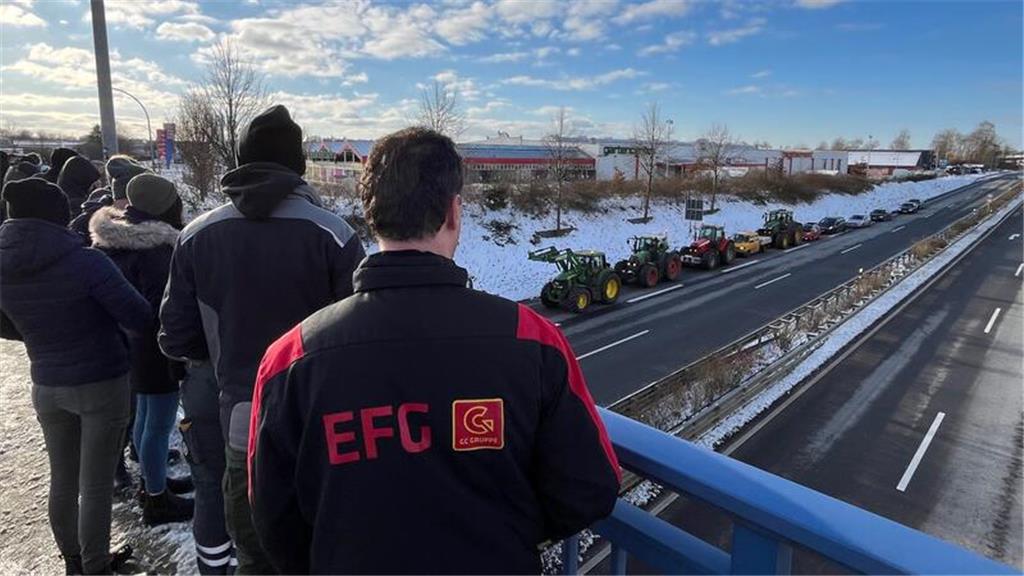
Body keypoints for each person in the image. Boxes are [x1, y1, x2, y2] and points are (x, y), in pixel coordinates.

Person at [248, 128, 621, 574]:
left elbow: (272, 520)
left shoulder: (289, 358)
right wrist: (510, 533)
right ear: (453, 212)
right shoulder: (532, 338)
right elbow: (590, 489)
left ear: (371, 215)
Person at [159, 104, 365, 574]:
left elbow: (175, 337)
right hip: (318, 422)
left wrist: (224, 355)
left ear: (241, 160)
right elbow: (357, 335)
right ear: (298, 165)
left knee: (249, 542)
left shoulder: (196, 236)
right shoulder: (334, 235)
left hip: (237, 416)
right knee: (317, 540)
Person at [0, 177, 151, 574]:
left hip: (46, 381)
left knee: (62, 478)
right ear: (57, 216)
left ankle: (73, 560)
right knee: (95, 483)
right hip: (102, 379)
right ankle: (96, 565)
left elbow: (4, 324)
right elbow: (138, 315)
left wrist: (37, 334)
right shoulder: (86, 262)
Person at [89, 173, 195, 526]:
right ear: (163, 207)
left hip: (128, 344)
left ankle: (152, 483)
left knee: (146, 417)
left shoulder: (113, 240)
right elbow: (164, 306)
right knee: (159, 424)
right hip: (155, 349)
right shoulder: (156, 250)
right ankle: (156, 499)